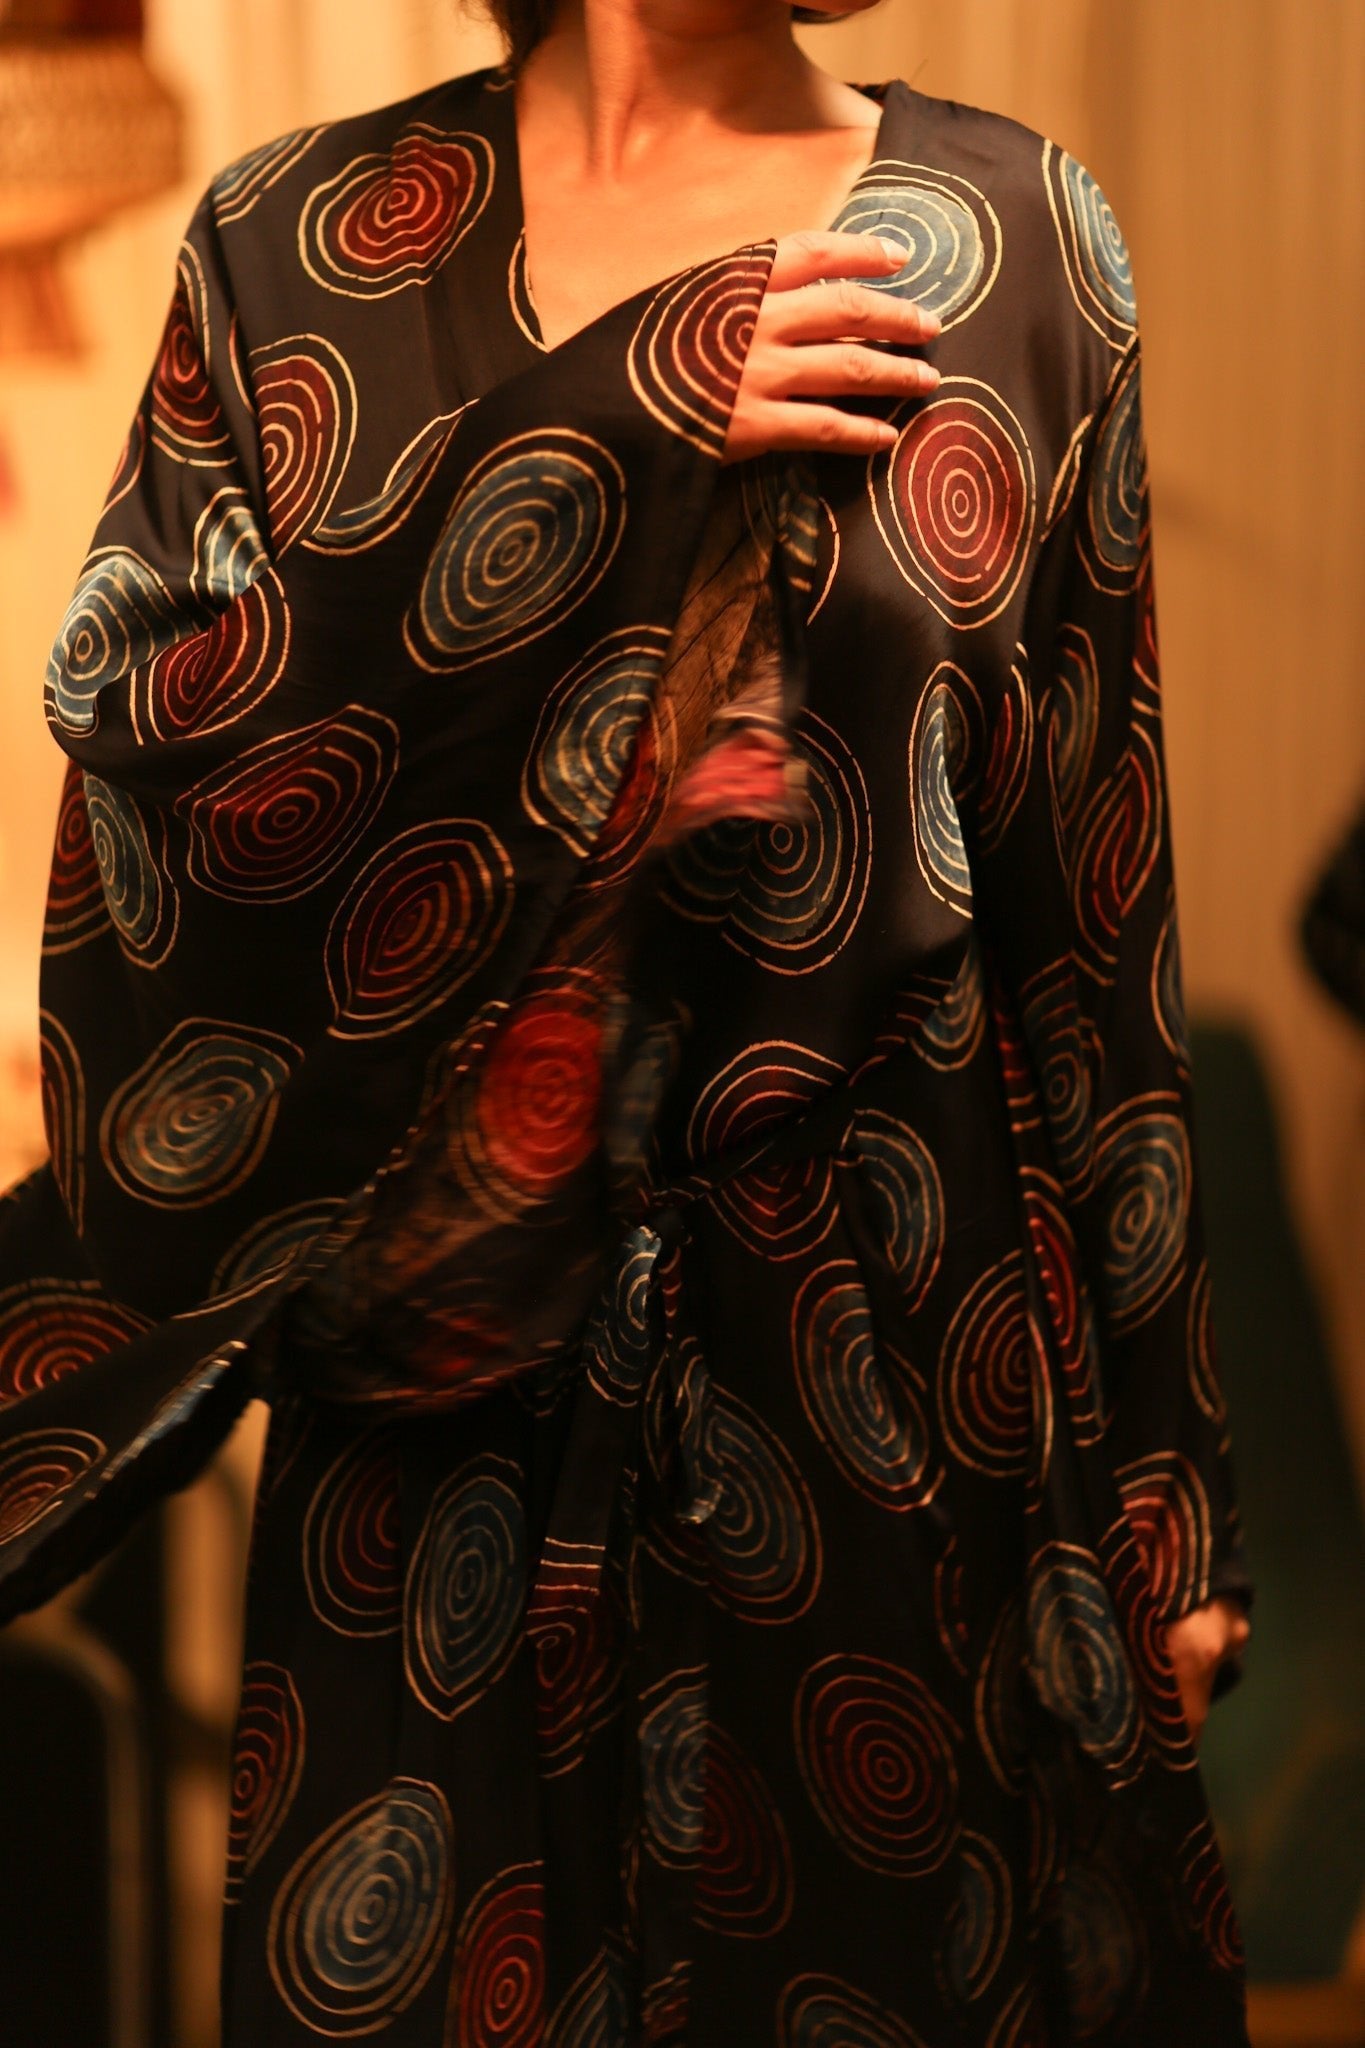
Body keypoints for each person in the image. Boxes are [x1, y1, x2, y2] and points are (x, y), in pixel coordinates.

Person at [0, 0, 1254, 2040]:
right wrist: (610, 430)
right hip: (431, 1431)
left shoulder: (1012, 241)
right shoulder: (294, 245)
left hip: (882, 1398)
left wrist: (1167, 1498)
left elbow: (1091, 902)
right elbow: (164, 795)